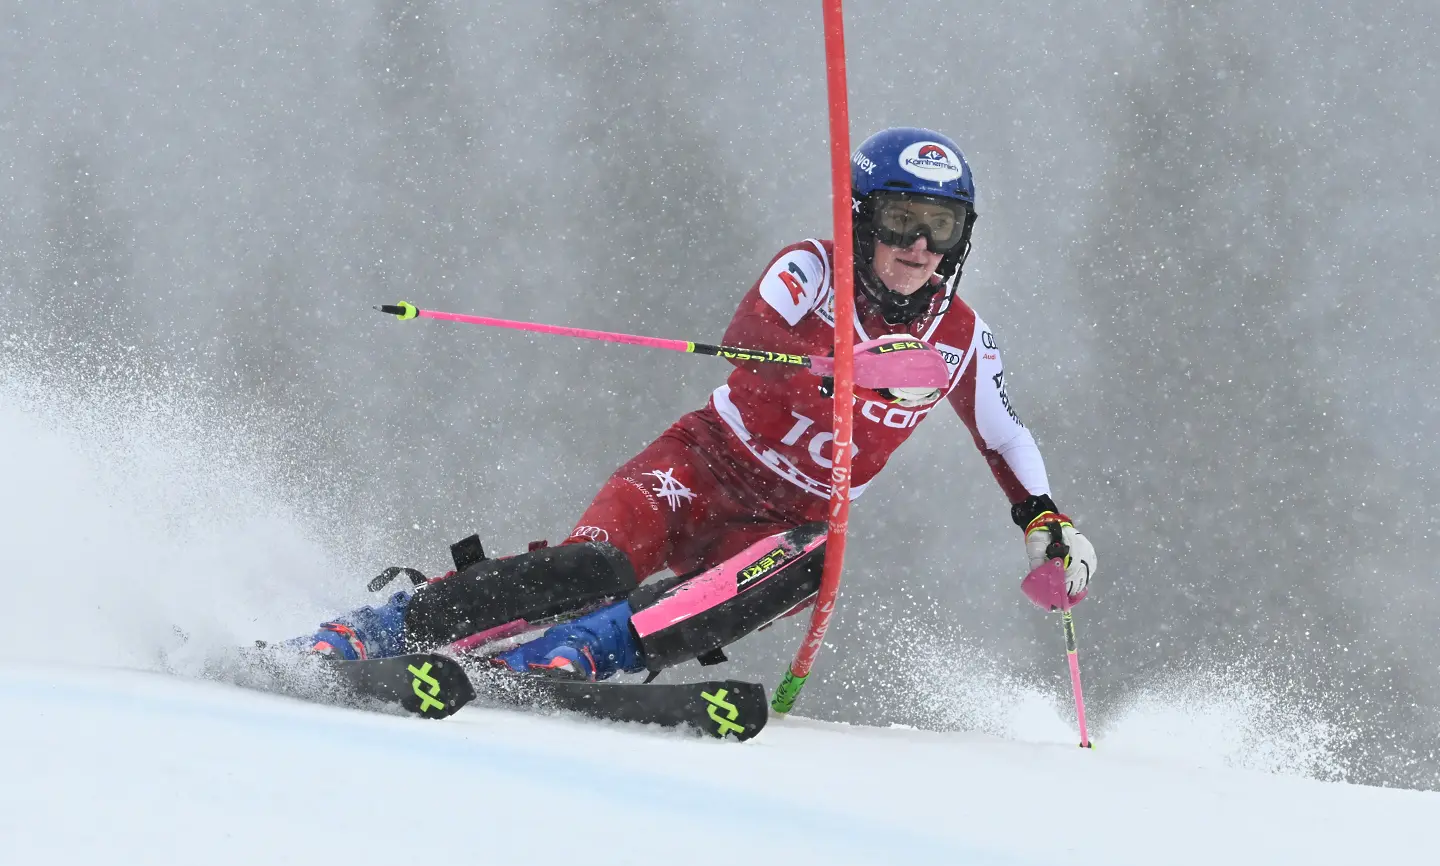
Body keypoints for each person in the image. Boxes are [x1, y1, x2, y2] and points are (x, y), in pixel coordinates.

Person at [294, 126, 1097, 681]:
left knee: (814, 561)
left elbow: (1005, 436)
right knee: (594, 565)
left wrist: (1045, 523)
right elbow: (749, 349)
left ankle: (584, 651)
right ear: (862, 217)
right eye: (900, 220)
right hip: (702, 468)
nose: (918, 246)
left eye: (940, 227)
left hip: (778, 524)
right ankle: (388, 627)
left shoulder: (961, 337)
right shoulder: (811, 272)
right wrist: (840, 373)